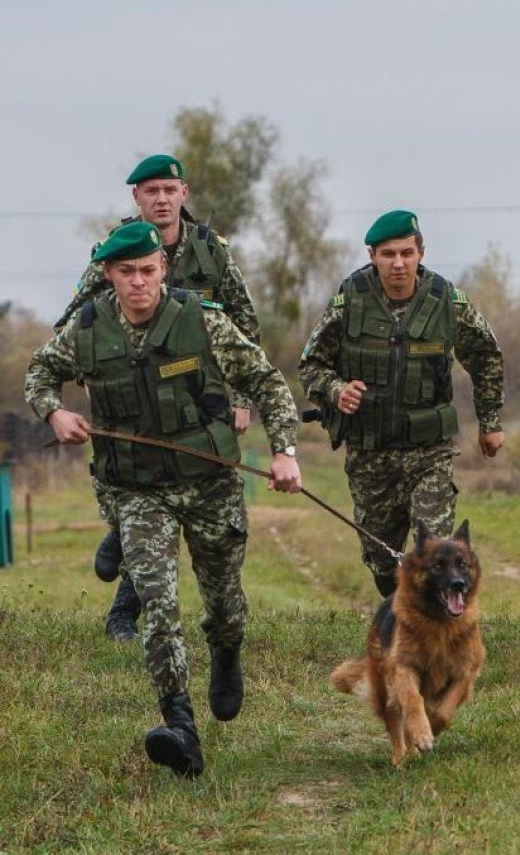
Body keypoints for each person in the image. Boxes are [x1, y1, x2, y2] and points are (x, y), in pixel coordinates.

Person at [25, 220, 302, 778]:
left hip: (209, 484)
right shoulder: (86, 329)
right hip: (137, 491)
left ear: (163, 271)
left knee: (224, 604)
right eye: (126, 273)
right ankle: (181, 728)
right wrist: (54, 411)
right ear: (108, 276)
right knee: (157, 602)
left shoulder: (203, 321)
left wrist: (284, 451)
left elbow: (268, 382)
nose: (138, 283)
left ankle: (226, 650)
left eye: (148, 271)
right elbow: (39, 374)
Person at [57, 154, 263, 643]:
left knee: (171, 504)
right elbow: (75, 319)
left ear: (184, 193)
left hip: (198, 401)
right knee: (139, 502)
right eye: (151, 191)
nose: (161, 199)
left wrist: (240, 398)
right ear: (137, 198)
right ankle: (121, 560)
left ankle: (124, 613)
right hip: (131, 402)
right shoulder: (116, 251)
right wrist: (90, 369)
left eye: (169, 190)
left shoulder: (214, 253)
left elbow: (245, 324)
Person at [298, 209, 504, 596]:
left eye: (407, 253)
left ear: (421, 254)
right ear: (372, 255)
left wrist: (490, 422)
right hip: (370, 451)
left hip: (429, 450)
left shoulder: (448, 303)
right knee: (381, 560)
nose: (398, 263)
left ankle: (437, 634)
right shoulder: (349, 302)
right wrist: (336, 389)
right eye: (388, 254)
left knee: (435, 549)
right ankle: (398, 611)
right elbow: (310, 365)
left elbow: (486, 357)